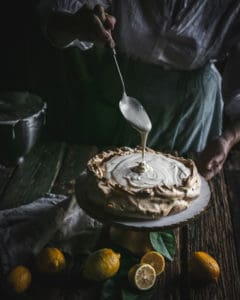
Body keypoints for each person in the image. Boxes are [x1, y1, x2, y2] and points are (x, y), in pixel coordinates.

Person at [37, 0, 240, 180]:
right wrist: (77, 25)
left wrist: (227, 138)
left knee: (176, 190)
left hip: (191, 111)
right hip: (119, 88)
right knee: (99, 182)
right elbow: (54, 20)